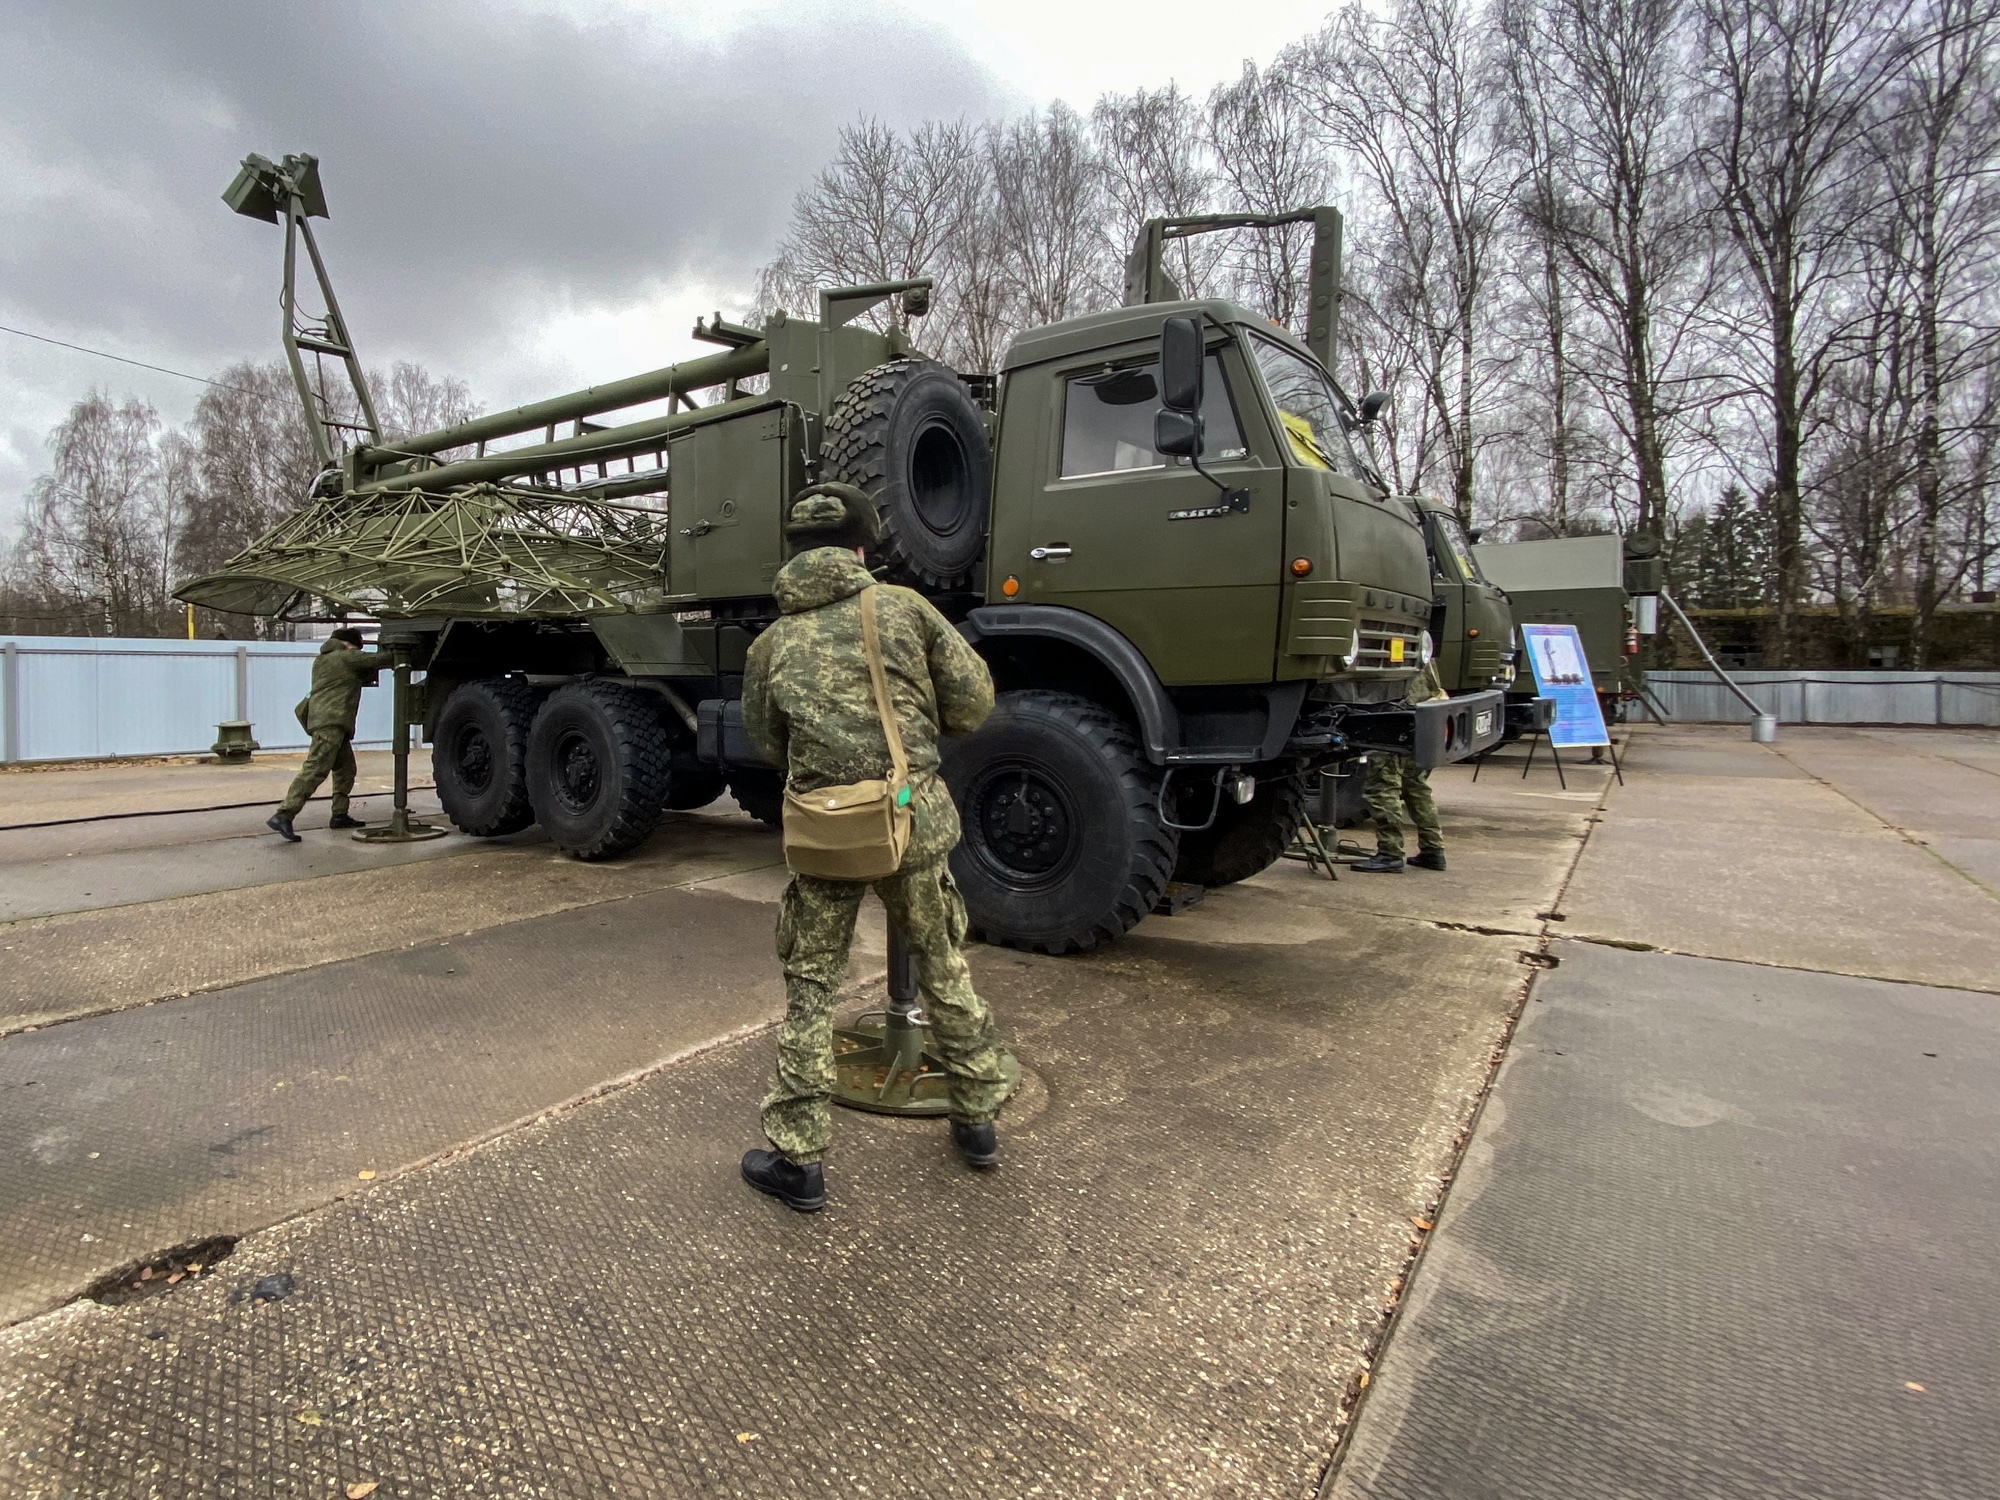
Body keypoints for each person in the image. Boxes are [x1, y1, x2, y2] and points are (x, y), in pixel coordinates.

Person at [737, 483, 1011, 1213]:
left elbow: (766, 744)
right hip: (911, 817)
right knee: (943, 963)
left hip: (826, 831)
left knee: (811, 986)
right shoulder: (906, 610)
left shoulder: (771, 643)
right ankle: (977, 1118)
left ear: (795, 554)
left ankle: (800, 1161)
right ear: (862, 549)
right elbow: (974, 705)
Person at [267, 627, 381, 843]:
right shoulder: (345, 657)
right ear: (349, 644)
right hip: (331, 722)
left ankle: (339, 815)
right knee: (316, 768)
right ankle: (284, 814)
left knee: (346, 770)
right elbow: (381, 659)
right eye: (357, 648)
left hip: (330, 722)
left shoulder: (322, 659)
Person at [1352, 655, 1448, 874]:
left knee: (1382, 788)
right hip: (1421, 715)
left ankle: (1390, 852)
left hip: (1394, 717)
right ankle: (1433, 849)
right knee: (1416, 786)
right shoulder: (1417, 644)